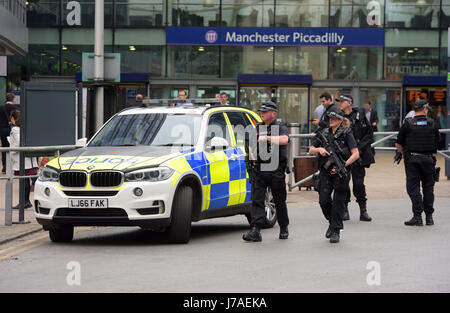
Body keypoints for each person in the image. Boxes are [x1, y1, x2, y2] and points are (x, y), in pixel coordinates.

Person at [309, 107, 360, 243]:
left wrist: (343, 166)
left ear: (340, 120)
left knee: (338, 202)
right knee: (323, 201)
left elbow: (355, 154)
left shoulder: (347, 133)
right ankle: (333, 223)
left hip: (341, 173)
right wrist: (319, 149)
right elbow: (310, 150)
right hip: (325, 172)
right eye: (330, 118)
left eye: (334, 118)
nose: (331, 121)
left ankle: (336, 230)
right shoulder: (323, 133)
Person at [243, 101, 290, 242]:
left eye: (265, 111)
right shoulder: (257, 128)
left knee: (279, 201)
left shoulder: (280, 127)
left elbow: (285, 139)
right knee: (257, 200)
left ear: (273, 113)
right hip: (259, 169)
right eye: (261, 111)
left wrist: (268, 138)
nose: (261, 113)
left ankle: (283, 227)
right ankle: (255, 230)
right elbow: (250, 145)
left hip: (275, 170)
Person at [395, 99, 440, 226]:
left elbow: (398, 143)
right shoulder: (432, 123)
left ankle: (418, 216)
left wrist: (405, 153)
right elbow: (437, 141)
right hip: (428, 159)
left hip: (412, 160)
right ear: (425, 109)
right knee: (428, 188)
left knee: (413, 188)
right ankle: (429, 217)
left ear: (415, 110)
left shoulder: (408, 124)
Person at [337, 94, 374, 222]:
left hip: (359, 155)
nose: (340, 103)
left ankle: (363, 211)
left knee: (358, 184)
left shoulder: (361, 115)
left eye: (342, 101)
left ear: (350, 103)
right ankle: (345, 210)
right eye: (339, 101)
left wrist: (359, 148)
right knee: (344, 184)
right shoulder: (338, 116)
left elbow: (369, 135)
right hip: (344, 156)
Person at [8, 110, 39, 209]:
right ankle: (26, 201)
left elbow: (18, 143)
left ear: (13, 118)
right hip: (29, 159)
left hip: (21, 159)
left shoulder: (15, 130)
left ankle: (23, 202)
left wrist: (11, 149)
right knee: (26, 180)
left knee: (23, 181)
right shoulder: (25, 128)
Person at [1, 93, 19, 173]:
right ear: (13, 99)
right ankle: (12, 166)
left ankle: (5, 165)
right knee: (13, 147)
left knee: (5, 148)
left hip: (2, 130)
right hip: (12, 129)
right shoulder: (16, 108)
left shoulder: (1, 108)